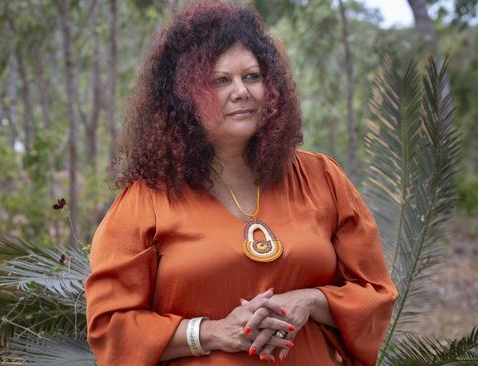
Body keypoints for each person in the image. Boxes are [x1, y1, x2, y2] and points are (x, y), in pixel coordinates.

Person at [85, 2, 397, 365]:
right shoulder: (146, 200)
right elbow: (111, 328)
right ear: (184, 97)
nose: (241, 92)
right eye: (220, 80)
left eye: (251, 76)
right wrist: (214, 332)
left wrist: (311, 301)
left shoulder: (322, 178)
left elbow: (375, 295)